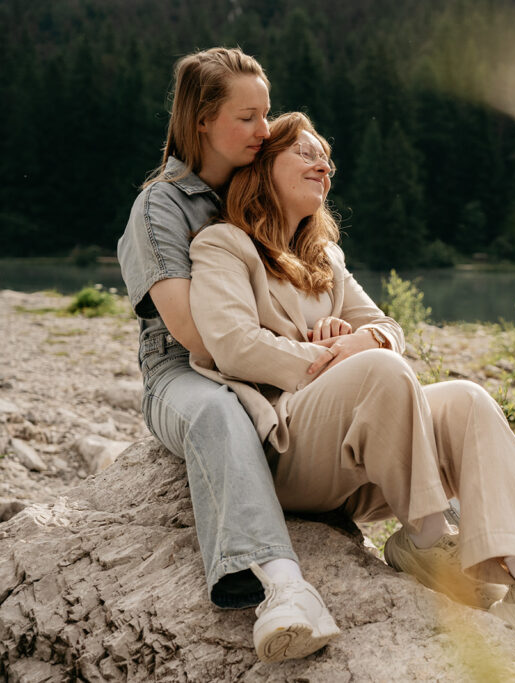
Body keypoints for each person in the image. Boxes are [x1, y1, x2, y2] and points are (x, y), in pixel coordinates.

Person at [186, 111, 515, 669]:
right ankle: (431, 540)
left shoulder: (325, 258)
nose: (324, 165)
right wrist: (338, 357)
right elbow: (234, 346)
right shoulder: (223, 246)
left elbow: (388, 331)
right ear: (263, 167)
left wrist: (362, 339)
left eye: (327, 158)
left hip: (364, 459)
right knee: (380, 371)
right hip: (285, 450)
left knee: (467, 399)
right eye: (307, 153)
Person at [117, 48, 341, 662]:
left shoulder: (259, 183)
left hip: (267, 358)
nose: (264, 131)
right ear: (201, 122)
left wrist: (331, 341)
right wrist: (300, 358)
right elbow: (195, 336)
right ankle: (281, 587)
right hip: (185, 375)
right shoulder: (160, 207)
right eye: (247, 117)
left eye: (266, 114)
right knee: (219, 413)